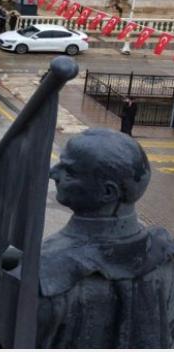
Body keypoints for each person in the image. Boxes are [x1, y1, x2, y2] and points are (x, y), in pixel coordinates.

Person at [36, 129, 174, 348]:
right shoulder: (166, 256)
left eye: (69, 172)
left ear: (107, 193)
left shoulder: (47, 271)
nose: (54, 173)